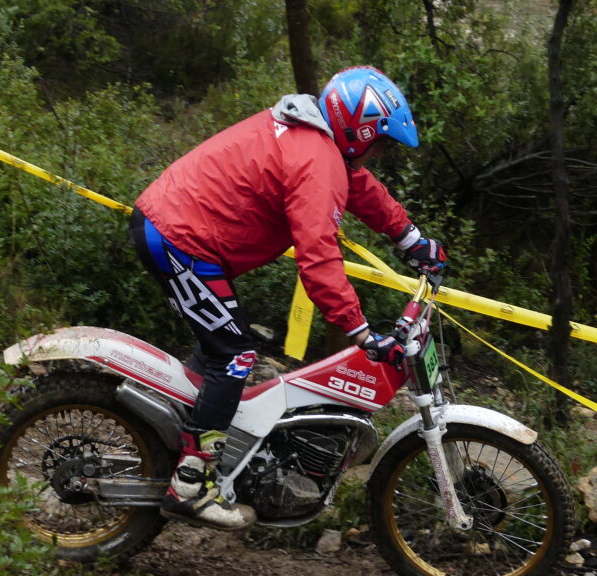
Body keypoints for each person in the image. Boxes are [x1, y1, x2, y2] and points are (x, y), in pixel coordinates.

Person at [129, 66, 447, 530]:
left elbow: (361, 188)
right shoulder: (315, 159)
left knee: (224, 344)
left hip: (183, 233)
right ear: (358, 131)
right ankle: (190, 485)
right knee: (235, 356)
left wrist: (413, 240)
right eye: (379, 142)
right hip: (178, 239)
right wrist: (361, 332)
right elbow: (317, 255)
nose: (379, 152)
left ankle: (180, 434)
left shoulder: (317, 141)